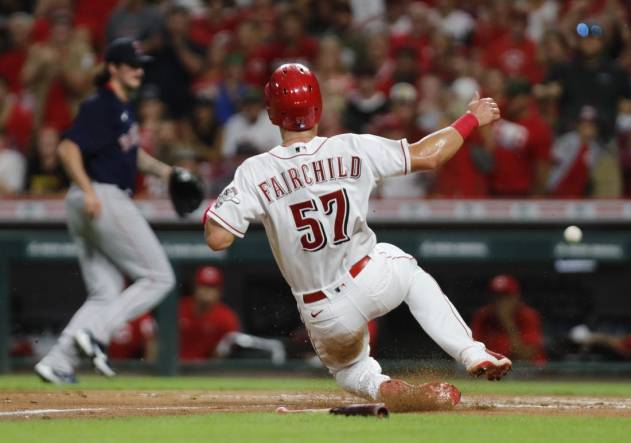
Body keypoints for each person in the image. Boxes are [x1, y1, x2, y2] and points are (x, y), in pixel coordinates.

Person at [203, 63, 510, 412]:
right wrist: (470, 119)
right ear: (317, 106)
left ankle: (385, 388)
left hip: (322, 310)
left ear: (272, 114)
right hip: (370, 278)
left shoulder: (255, 170)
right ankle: (471, 352)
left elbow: (218, 239)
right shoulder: (351, 147)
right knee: (406, 270)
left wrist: (215, 208)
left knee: (349, 370)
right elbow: (430, 155)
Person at [34, 38, 176, 384]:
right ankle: (97, 332)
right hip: (101, 195)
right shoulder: (104, 104)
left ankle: (58, 360)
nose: (138, 70)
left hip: (88, 199)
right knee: (159, 277)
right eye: (131, 64)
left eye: (141, 64)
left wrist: (166, 172)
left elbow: (131, 156)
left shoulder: (121, 109)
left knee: (106, 291)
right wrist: (87, 190)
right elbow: (68, 148)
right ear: (112, 67)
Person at [472, 275, 547, 365]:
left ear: (516, 297)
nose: (501, 301)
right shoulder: (483, 316)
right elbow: (472, 354)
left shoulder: (528, 315)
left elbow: (525, 356)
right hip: (493, 371)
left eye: (506, 296)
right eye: (497, 296)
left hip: (529, 372)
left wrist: (508, 322)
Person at [179, 266, 240, 361]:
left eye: (211, 287)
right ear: (195, 287)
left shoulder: (226, 317)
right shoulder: (179, 309)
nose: (206, 291)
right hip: (176, 368)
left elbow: (222, 355)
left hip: (207, 371)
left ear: (220, 291)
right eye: (202, 285)